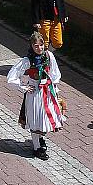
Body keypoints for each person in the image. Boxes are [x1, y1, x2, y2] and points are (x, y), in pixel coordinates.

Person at [7, 32, 64, 160]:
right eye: (36, 46)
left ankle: (40, 139)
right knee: (35, 120)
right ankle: (37, 148)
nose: (39, 48)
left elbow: (55, 73)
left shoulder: (49, 56)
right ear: (31, 46)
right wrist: (24, 87)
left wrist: (55, 88)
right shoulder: (27, 61)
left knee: (45, 119)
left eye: (41, 45)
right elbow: (11, 77)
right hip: (35, 94)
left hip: (48, 93)